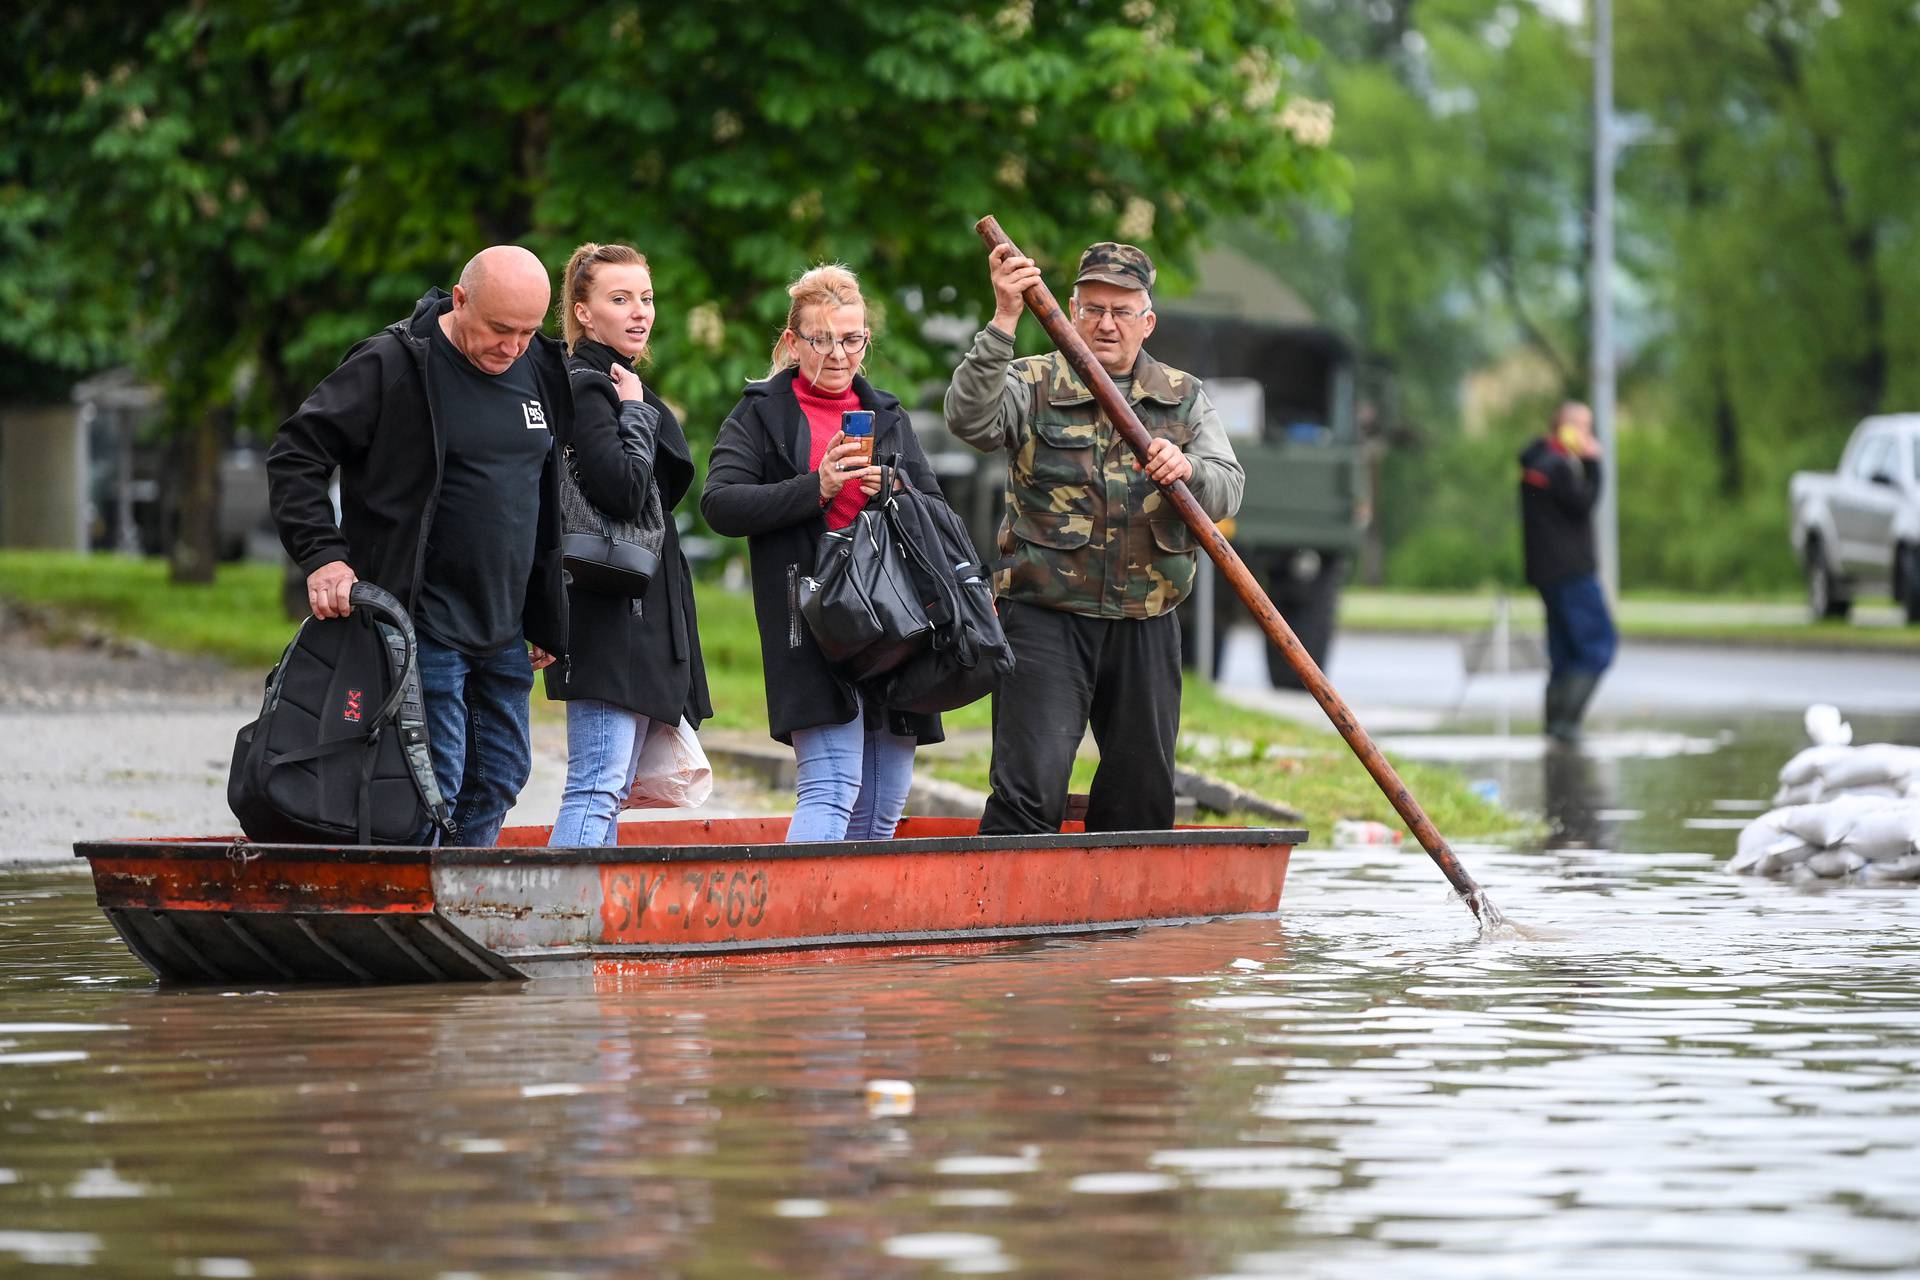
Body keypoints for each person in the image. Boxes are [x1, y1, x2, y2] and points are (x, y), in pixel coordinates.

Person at [267, 245, 569, 847]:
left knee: (504, 775)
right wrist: (324, 555)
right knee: (435, 783)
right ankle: (422, 905)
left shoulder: (537, 365)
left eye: (529, 331)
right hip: (417, 618)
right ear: (460, 301)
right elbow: (296, 455)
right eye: (500, 330)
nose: (513, 347)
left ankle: (459, 897)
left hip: (504, 627)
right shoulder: (393, 363)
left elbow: (540, 495)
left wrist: (546, 613)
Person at [943, 241, 1244, 835]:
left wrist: (1189, 470)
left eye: (1122, 311)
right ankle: (1010, 926)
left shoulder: (1184, 397)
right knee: (1030, 788)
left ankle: (1122, 927)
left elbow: (1228, 488)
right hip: (1044, 619)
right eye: (1092, 309)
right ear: (1072, 311)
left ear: (1147, 322)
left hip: (1147, 622)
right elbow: (968, 420)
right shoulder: (1030, 381)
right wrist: (1004, 318)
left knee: (1141, 796)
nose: (1106, 324)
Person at [701, 264, 945, 842]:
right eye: (822, 339)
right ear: (792, 342)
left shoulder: (887, 415)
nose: (839, 354)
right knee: (831, 789)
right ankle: (799, 926)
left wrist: (893, 487)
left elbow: (936, 508)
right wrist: (819, 487)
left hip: (895, 623)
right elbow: (722, 505)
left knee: (883, 807)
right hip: (811, 622)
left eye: (852, 339)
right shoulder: (762, 413)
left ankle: (852, 930)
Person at [545, 243, 711, 846]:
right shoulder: (590, 384)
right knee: (596, 784)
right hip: (608, 606)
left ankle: (588, 929)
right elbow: (620, 489)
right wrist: (638, 414)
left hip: (630, 604)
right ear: (583, 312)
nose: (640, 312)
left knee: (609, 787)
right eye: (620, 299)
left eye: (646, 298)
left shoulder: (616, 379)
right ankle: (565, 925)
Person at [1520, 400, 1617, 742]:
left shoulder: (1536, 462)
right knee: (1597, 646)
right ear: (1565, 427)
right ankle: (1566, 724)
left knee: (1563, 653)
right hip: (1571, 571)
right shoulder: (1558, 466)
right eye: (1583, 427)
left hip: (1546, 573)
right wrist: (1593, 463)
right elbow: (1585, 503)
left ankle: (1554, 726)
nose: (1587, 434)